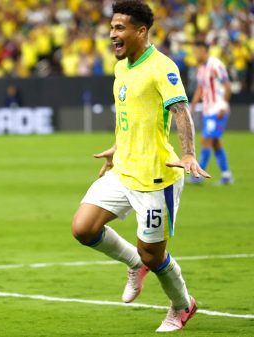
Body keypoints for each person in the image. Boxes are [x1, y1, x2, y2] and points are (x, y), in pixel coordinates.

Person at [71, 1, 209, 332]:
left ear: (140, 31)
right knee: (84, 228)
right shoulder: (121, 68)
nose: (112, 34)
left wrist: (189, 153)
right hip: (124, 170)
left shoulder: (162, 67)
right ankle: (134, 264)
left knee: (153, 254)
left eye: (119, 28)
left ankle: (181, 305)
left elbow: (180, 109)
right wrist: (117, 149)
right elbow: (129, 117)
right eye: (112, 27)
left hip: (157, 178)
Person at [189, 40, 233, 185]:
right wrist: (192, 106)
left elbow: (227, 85)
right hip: (208, 109)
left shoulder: (215, 64)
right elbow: (200, 88)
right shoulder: (201, 68)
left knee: (206, 140)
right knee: (215, 143)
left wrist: (223, 105)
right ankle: (226, 175)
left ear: (203, 50)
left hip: (217, 108)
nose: (195, 54)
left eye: (196, 51)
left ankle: (198, 175)